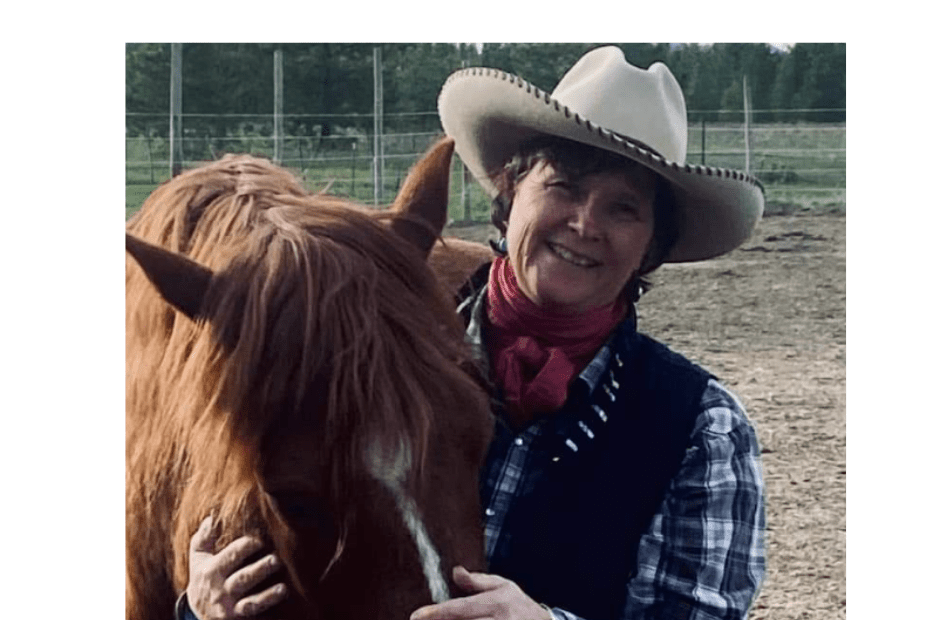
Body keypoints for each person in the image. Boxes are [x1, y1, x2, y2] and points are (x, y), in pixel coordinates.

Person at [177, 45, 766, 620]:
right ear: (510, 196)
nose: (585, 224)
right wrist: (204, 605)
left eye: (624, 209)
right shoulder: (367, 354)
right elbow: (267, 530)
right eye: (563, 186)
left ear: (651, 248)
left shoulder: (701, 429)